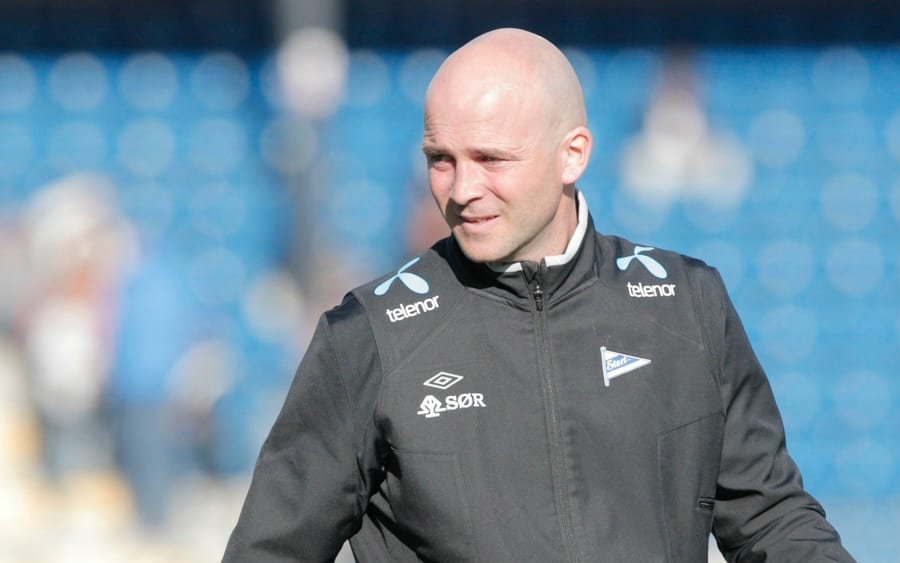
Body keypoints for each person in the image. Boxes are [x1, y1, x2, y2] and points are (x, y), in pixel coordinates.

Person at [223, 28, 854, 562]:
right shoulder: (368, 335)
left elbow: (773, 521)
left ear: (572, 155)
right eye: (441, 159)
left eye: (491, 159)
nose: (461, 189)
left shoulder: (686, 305)